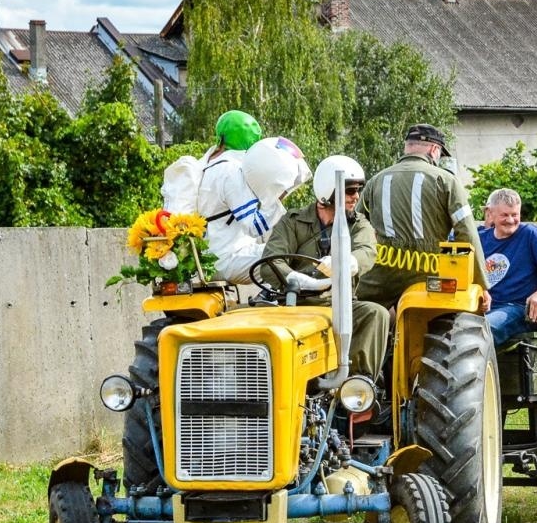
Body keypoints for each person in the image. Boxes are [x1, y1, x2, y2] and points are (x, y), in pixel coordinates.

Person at [259, 155, 390, 379]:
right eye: (349, 191)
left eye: (358, 190)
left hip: (339, 304)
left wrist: (347, 262)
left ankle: (357, 388)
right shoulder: (292, 222)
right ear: (328, 191)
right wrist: (297, 280)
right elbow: (271, 262)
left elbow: (367, 251)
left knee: (376, 314)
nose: (355, 197)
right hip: (293, 303)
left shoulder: (358, 225)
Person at [355, 123, 489, 307]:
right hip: (430, 276)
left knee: (359, 310)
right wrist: (480, 284)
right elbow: (467, 234)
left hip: (380, 278)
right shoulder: (446, 180)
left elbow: (356, 228)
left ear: (407, 147)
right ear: (435, 149)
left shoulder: (376, 180)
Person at [194, 111, 308, 284]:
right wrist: (283, 190)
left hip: (213, 258)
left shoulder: (209, 166)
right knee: (296, 254)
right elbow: (255, 226)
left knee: (284, 252)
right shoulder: (231, 172)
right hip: (228, 259)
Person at [478, 189, 537, 347]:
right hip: (482, 307)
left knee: (483, 330)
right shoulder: (480, 239)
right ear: (491, 214)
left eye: (515, 215)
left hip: (515, 308)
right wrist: (481, 290)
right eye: (504, 215)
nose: (511, 220)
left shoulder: (530, 234)